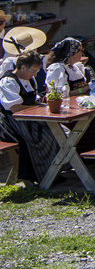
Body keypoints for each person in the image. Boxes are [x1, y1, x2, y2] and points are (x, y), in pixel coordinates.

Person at [0, 51, 60, 181]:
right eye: (33, 71)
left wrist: (44, 106)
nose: (35, 74)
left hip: (30, 117)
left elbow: (32, 100)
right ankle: (42, 176)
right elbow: (15, 108)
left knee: (58, 133)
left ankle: (54, 171)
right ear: (22, 67)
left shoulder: (30, 80)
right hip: (13, 121)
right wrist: (37, 109)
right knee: (43, 139)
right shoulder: (8, 82)